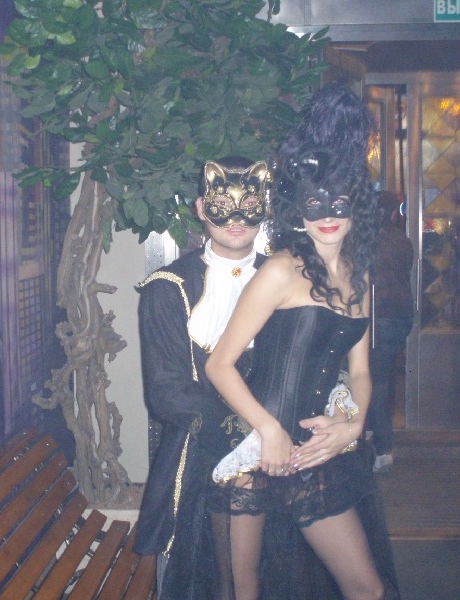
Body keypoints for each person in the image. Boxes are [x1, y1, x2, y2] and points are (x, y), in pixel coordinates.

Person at [206, 81, 400, 600]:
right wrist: (269, 430)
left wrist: (353, 425)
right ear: (297, 209)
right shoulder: (281, 270)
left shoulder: (360, 275)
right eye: (314, 203)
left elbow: (361, 370)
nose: (327, 215)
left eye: (339, 202)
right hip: (253, 448)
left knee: (366, 588)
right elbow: (220, 364)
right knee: (244, 590)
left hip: (317, 454)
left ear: (356, 205)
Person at [134, 156, 272, 599]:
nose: (236, 219)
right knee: (217, 578)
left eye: (248, 205)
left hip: (283, 447)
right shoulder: (168, 288)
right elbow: (168, 392)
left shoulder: (287, 279)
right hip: (202, 450)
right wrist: (246, 441)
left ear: (265, 206)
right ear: (200, 207)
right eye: (222, 206)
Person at [368, 190, 414, 473]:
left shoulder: (369, 240)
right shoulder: (402, 240)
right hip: (400, 314)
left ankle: (382, 448)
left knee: (375, 382)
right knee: (382, 378)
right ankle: (377, 440)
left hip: (378, 316)